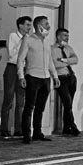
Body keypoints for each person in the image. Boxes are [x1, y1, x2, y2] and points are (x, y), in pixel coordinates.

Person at [17, 15, 60, 143]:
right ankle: (26, 134)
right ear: (39, 26)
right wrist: (21, 76)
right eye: (46, 24)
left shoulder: (46, 43)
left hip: (45, 78)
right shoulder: (28, 40)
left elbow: (50, 61)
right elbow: (20, 59)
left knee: (40, 107)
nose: (49, 27)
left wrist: (55, 76)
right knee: (29, 106)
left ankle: (37, 132)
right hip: (32, 76)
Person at [0, 16, 32, 138]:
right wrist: (23, 41)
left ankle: (19, 128)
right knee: (8, 99)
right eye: (27, 24)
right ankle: (4, 128)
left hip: (23, 69)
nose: (29, 27)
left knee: (21, 101)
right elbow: (12, 53)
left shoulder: (29, 38)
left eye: (30, 25)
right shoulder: (13, 36)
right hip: (12, 68)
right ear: (20, 25)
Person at [52, 28, 80, 136]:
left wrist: (63, 60)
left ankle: (66, 128)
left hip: (71, 77)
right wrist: (69, 61)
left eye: (67, 36)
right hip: (60, 77)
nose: (67, 38)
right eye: (64, 35)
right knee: (67, 102)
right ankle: (72, 125)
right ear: (58, 36)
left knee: (69, 104)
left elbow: (76, 60)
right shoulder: (52, 49)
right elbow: (55, 64)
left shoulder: (68, 48)